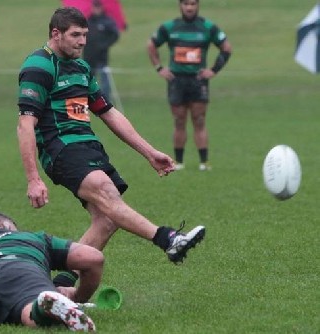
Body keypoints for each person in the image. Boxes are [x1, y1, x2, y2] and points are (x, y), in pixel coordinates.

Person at [17, 7, 206, 288]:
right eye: (75, 35)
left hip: (89, 146)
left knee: (106, 220)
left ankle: (58, 286)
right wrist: (33, 179)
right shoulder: (39, 65)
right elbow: (25, 124)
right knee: (107, 193)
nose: (82, 42)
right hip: (61, 149)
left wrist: (149, 152)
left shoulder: (81, 67)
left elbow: (109, 113)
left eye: (85, 36)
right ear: (55, 34)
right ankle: (169, 239)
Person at [147, 0, 232, 171]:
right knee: (179, 121)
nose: (189, 7)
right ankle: (178, 162)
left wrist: (214, 70)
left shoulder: (208, 27)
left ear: (198, 5)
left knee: (199, 120)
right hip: (176, 80)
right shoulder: (170, 27)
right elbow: (151, 45)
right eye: (186, 4)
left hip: (198, 80)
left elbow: (226, 48)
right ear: (180, 5)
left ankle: (204, 162)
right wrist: (159, 68)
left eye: (193, 3)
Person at [83, 0, 119, 99]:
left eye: (98, 7)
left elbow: (115, 35)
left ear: (102, 7)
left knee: (104, 79)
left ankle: (105, 98)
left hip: (101, 56)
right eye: (95, 7)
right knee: (88, 77)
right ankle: (87, 97)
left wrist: (104, 45)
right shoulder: (87, 21)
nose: (96, 9)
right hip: (88, 55)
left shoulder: (107, 21)